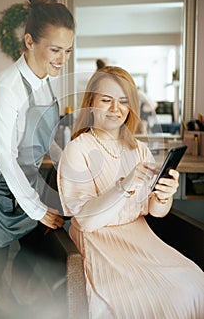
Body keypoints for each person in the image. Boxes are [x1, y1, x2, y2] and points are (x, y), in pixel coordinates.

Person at [57, 66, 204, 319]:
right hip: (100, 243)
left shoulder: (140, 150)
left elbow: (154, 211)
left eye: (123, 101)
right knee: (150, 297)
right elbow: (84, 220)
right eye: (106, 100)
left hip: (141, 239)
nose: (116, 109)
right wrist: (124, 186)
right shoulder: (76, 150)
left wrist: (163, 196)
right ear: (90, 103)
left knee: (193, 281)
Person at [0, 0, 74, 312]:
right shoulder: (7, 89)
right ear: (29, 41)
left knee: (37, 266)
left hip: (27, 181)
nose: (62, 60)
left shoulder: (47, 82)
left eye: (68, 51)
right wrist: (39, 209)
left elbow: (47, 139)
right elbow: (6, 159)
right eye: (56, 50)